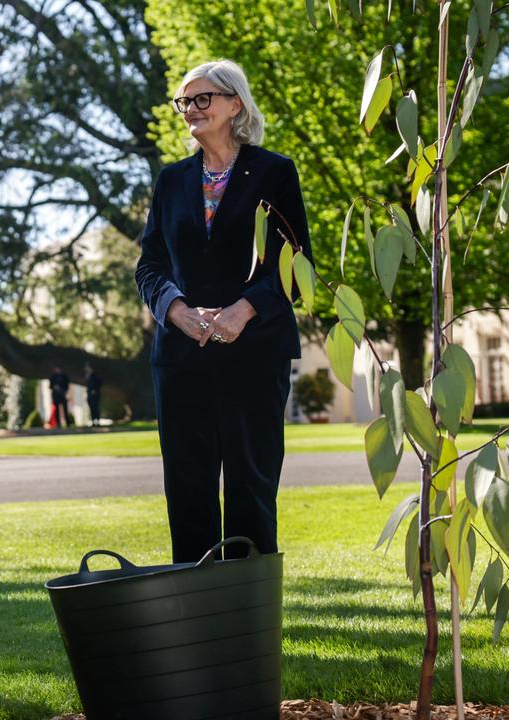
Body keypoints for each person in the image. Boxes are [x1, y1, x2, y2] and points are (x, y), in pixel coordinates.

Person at [135, 59, 311, 563]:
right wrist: (175, 310)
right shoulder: (170, 181)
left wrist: (244, 310)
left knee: (250, 489)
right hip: (181, 358)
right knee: (187, 491)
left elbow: (296, 265)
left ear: (235, 104)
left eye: (202, 98)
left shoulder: (275, 173)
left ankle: (247, 623)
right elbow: (149, 266)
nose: (190, 109)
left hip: (254, 354)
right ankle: (196, 621)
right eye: (184, 101)